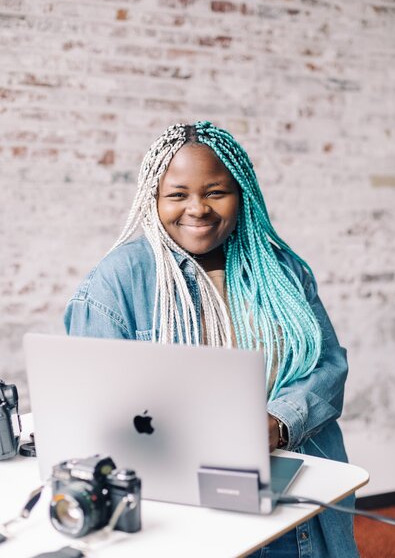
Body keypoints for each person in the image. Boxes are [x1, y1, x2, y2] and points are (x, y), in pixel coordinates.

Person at [65, 121, 359, 558]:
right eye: (178, 194)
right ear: (154, 199)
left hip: (297, 508)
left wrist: (277, 424)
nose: (197, 208)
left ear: (242, 195)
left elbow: (327, 365)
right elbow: (95, 411)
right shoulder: (119, 279)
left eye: (215, 191)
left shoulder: (281, 270)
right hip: (184, 511)